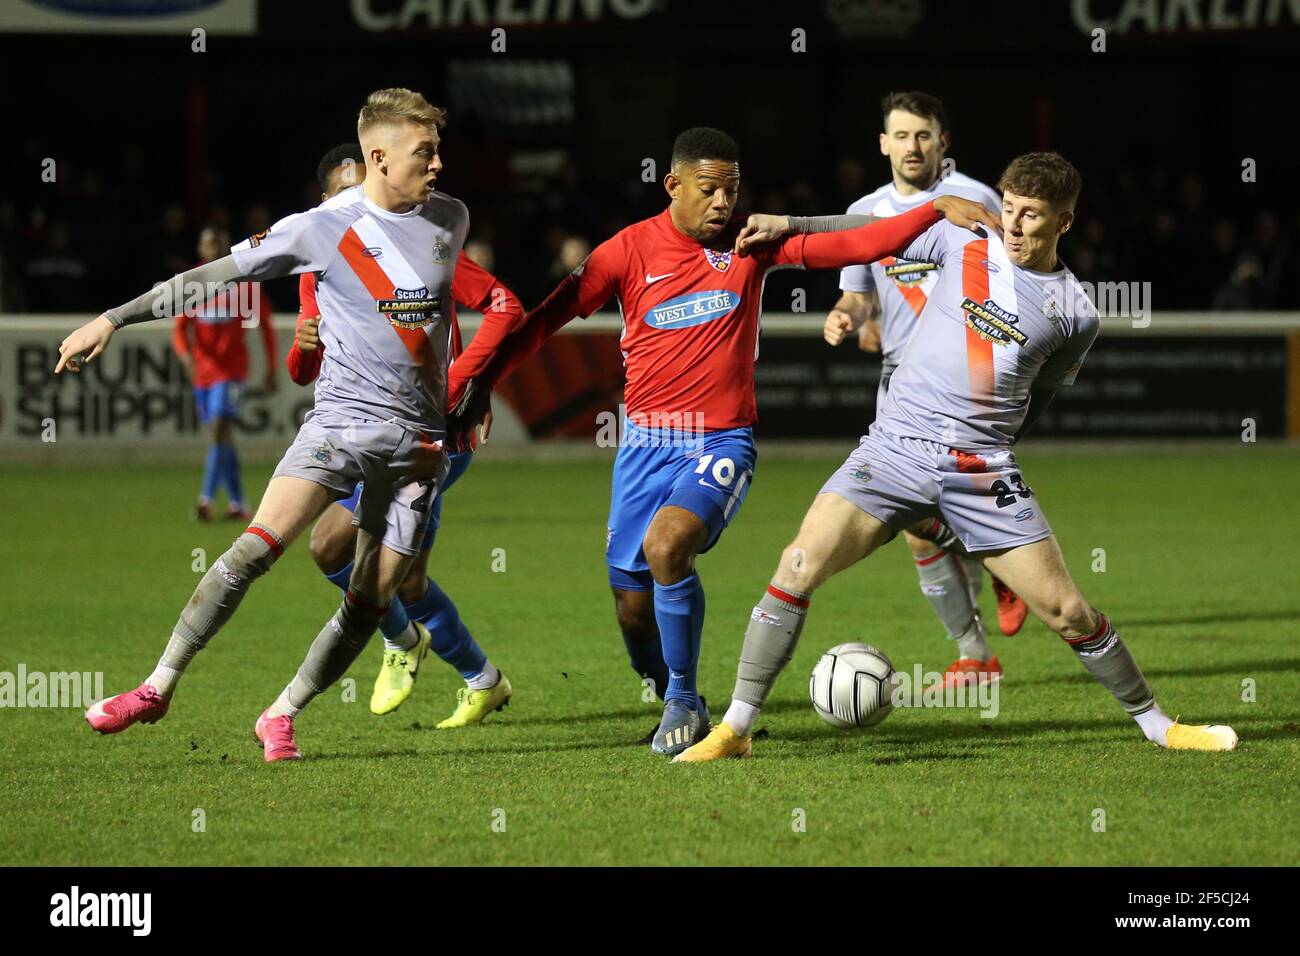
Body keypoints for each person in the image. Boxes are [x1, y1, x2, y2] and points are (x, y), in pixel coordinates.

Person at [446, 126, 999, 756]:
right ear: (672, 184)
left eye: (731, 190)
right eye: (709, 190)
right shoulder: (625, 252)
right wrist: (482, 381)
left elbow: (857, 240)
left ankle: (684, 696)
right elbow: (544, 320)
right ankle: (671, 694)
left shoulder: (751, 242)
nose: (721, 204)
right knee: (631, 606)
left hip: (721, 442)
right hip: (644, 446)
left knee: (668, 546)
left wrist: (930, 211)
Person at [675, 152, 1239, 761]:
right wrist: (791, 223)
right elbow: (866, 236)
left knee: (1069, 611)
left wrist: (994, 452)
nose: (1016, 225)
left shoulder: (1076, 313)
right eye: (1011, 208)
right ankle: (735, 729)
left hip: (981, 468)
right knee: (797, 564)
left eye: (1033, 216)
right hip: (893, 450)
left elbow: (1041, 397)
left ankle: (1161, 726)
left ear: (1065, 223)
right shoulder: (964, 238)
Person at [62, 87, 488, 762]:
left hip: (417, 447)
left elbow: (450, 316)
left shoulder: (451, 219)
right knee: (255, 549)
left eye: (438, 151)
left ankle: (282, 713)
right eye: (425, 152)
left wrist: (474, 388)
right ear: (378, 156)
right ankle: (157, 685)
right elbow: (211, 277)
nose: (438, 165)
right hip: (340, 425)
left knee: (371, 604)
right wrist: (111, 318)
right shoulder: (319, 226)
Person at [287, 142, 521, 725]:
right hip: (359, 432)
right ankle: (474, 674)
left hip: (426, 435)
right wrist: (301, 347)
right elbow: (302, 371)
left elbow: (499, 304)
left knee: (338, 549)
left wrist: (470, 383)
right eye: (343, 192)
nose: (356, 203)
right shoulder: (318, 259)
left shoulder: (410, 241)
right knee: (390, 573)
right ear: (323, 201)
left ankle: (413, 646)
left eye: (362, 189)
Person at [824, 91, 1027, 686]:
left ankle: (983, 629)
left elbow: (1006, 289)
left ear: (943, 142)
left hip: (964, 386)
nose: (912, 146)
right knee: (914, 526)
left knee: (917, 518)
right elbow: (858, 293)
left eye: (923, 136)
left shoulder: (977, 202)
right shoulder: (866, 209)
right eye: (901, 136)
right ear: (883, 144)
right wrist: (849, 317)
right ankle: (977, 652)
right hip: (898, 386)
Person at [172, 224, 277, 521]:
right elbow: (180, 330)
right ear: (201, 249)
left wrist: (271, 368)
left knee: (219, 428)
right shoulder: (193, 284)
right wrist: (185, 357)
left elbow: (266, 327)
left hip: (231, 373)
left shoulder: (244, 282)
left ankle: (205, 499)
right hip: (203, 374)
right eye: (209, 244)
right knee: (222, 438)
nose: (214, 249)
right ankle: (238, 503)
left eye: (219, 244)